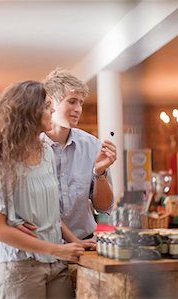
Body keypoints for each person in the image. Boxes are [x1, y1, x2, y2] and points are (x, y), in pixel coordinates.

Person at [0, 80, 93, 299]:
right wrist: (57, 249)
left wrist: (74, 241)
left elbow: (51, 212)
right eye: (47, 106)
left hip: (56, 263)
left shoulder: (46, 151)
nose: (53, 109)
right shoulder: (3, 163)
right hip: (19, 266)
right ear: (29, 113)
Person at [38, 68, 117, 239]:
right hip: (43, 247)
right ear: (51, 102)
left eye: (81, 103)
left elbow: (103, 207)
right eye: (72, 101)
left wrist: (100, 173)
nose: (78, 109)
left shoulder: (93, 146)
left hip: (85, 243)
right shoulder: (32, 146)